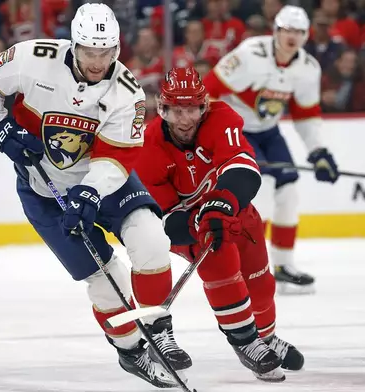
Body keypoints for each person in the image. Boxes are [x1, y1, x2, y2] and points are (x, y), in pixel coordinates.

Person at [0, 3, 190, 388]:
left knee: (151, 238)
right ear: (74, 45)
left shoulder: (127, 92)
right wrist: (2, 125)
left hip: (105, 181)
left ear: (117, 48)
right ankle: (133, 351)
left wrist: (89, 192)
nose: (99, 61)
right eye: (90, 52)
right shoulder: (31, 57)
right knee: (105, 279)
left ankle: (159, 328)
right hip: (43, 190)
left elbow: (117, 156)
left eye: (107, 52)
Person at [134, 67, 304, 382]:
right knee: (219, 257)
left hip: (235, 210)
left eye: (192, 110)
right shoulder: (148, 147)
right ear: (163, 108)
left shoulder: (221, 118)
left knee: (262, 286)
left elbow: (242, 165)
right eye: (177, 110)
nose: (185, 120)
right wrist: (200, 219)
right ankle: (245, 342)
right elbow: (164, 217)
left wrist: (221, 202)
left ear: (204, 107)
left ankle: (266, 337)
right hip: (189, 223)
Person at [203, 5, 341, 295]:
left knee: (288, 192)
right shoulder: (249, 54)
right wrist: (211, 134)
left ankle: (283, 266)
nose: (292, 36)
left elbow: (306, 115)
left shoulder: (307, 68)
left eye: (299, 32)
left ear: (306, 36)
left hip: (268, 132)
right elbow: (209, 89)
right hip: (237, 128)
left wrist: (318, 151)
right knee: (262, 189)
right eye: (287, 30)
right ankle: (250, 265)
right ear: (275, 31)